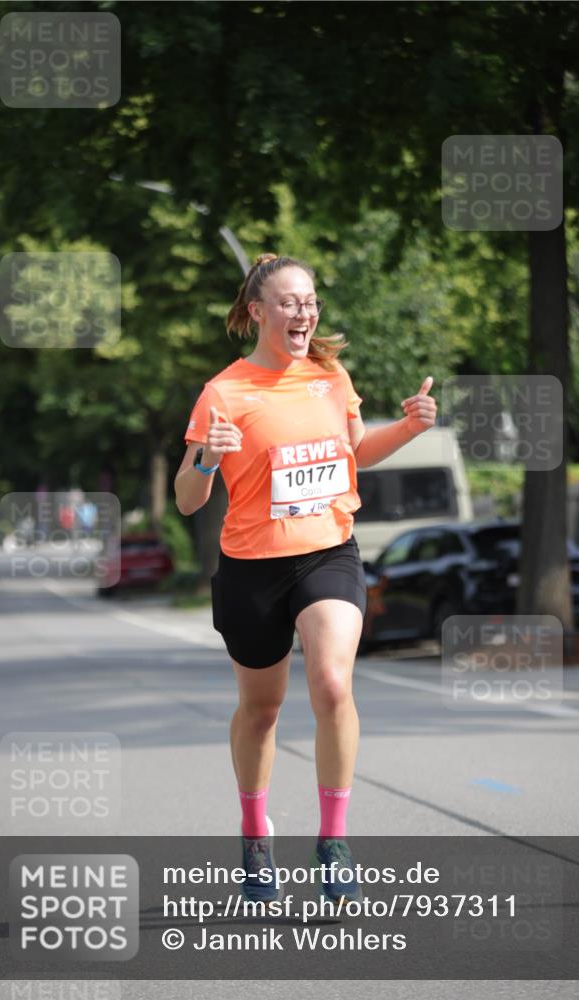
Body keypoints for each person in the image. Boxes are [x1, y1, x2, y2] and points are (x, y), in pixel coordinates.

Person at [174, 253, 436, 905]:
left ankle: (332, 840)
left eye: (311, 300)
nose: (304, 312)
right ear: (257, 312)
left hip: (328, 552)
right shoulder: (224, 392)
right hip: (250, 567)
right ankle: (254, 833)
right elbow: (185, 500)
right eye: (289, 301)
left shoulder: (328, 373)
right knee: (261, 712)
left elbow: (354, 453)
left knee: (330, 681)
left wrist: (406, 427)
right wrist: (207, 460)